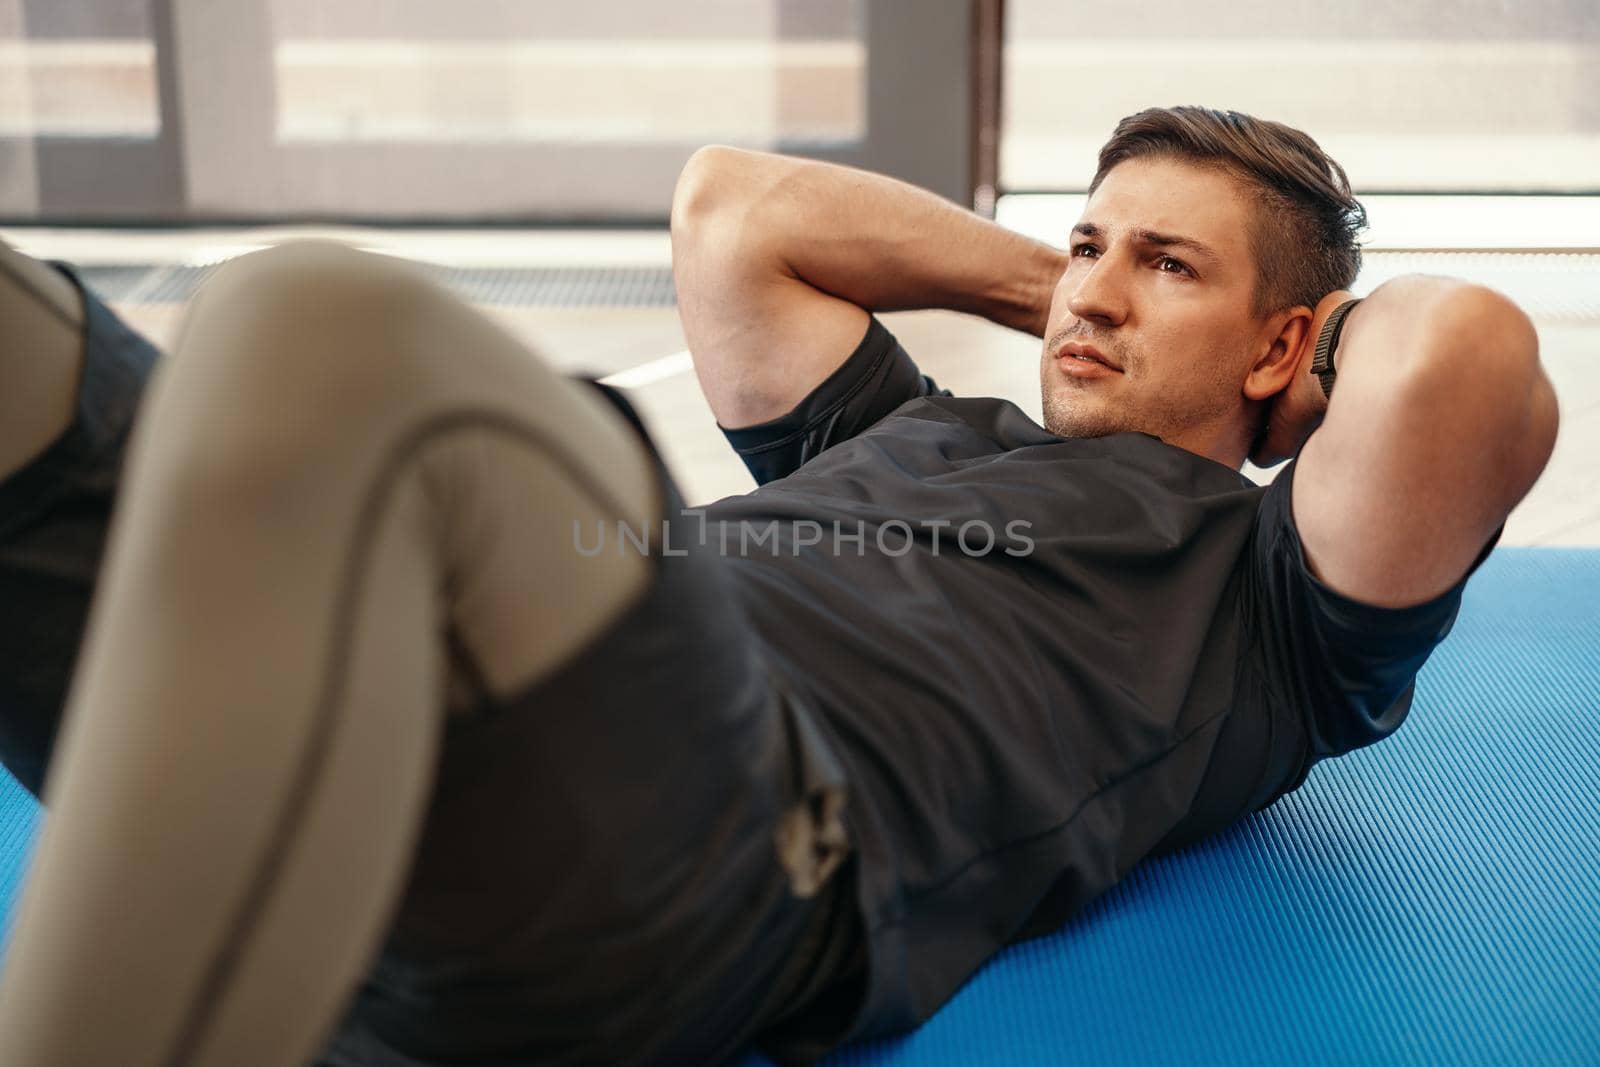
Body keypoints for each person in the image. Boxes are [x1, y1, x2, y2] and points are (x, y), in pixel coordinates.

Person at [0, 105, 1559, 1066]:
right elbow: (734, 209)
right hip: (418, 750)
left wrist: (1291, 360)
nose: (1093, 284)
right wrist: (1081, 298)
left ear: (1293, 345)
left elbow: (1470, 358)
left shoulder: (1276, 609)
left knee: (313, 323)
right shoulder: (915, 430)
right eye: (1088, 244)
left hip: (743, 843)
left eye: (1168, 262)